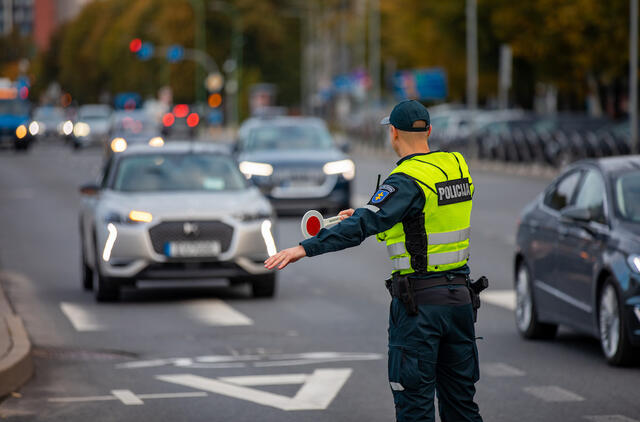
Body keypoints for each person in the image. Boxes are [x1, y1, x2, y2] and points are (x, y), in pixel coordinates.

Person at [264, 99, 483, 422]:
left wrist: (305, 248)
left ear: (393, 133)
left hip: (420, 307)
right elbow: (425, 216)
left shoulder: (406, 179)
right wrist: (375, 214)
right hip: (460, 302)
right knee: (462, 407)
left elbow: (365, 225)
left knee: (415, 409)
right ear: (429, 131)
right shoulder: (457, 166)